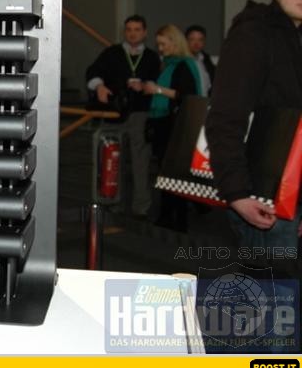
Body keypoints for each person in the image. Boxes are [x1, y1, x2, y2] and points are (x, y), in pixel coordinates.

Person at [206, 0, 302, 251]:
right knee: (270, 280)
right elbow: (226, 115)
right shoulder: (254, 32)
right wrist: (237, 193)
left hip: (293, 196)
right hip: (262, 198)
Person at [86, 15, 161, 217]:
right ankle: (112, 202)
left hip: (141, 114)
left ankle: (141, 207)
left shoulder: (152, 57)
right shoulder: (112, 53)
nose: (132, 33)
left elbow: (158, 83)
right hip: (114, 113)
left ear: (145, 32)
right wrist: (99, 86)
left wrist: (145, 86)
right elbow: (93, 71)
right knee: (111, 160)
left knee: (141, 162)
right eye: (129, 29)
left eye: (137, 29)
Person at [143, 24, 203, 231]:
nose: (160, 48)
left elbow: (186, 95)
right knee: (166, 173)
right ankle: (168, 216)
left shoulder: (183, 65)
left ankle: (177, 219)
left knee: (174, 173)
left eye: (163, 44)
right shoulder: (169, 64)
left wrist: (157, 90)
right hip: (165, 123)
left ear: (174, 42)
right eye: (158, 44)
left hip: (175, 125)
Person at [185, 24, 216, 96]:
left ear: (204, 42)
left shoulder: (206, 60)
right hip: (188, 101)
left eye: (200, 40)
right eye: (192, 39)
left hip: (205, 100)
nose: (196, 43)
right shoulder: (181, 62)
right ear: (186, 41)